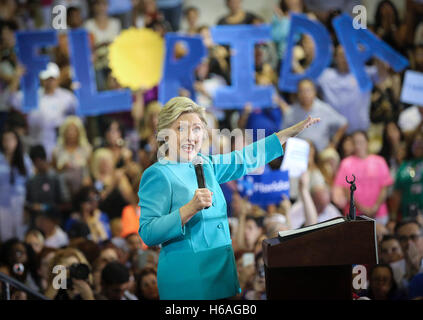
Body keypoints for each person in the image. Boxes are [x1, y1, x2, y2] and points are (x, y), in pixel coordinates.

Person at [138, 96, 320, 299]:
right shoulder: (158, 174)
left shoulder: (205, 164)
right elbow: (148, 232)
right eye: (181, 129)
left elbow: (246, 157)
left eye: (197, 129)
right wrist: (188, 209)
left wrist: (290, 133)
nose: (191, 136)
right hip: (189, 283)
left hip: (221, 277)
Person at [8, 62, 78, 160]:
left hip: (59, 148)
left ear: (57, 79)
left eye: (51, 78)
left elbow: (79, 117)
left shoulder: (67, 97)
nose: (49, 82)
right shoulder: (32, 96)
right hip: (35, 147)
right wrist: (16, 77)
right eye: (46, 79)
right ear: (41, 80)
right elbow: (11, 99)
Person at [332, 131, 393, 225]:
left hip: (379, 213)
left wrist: (375, 207)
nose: (357, 145)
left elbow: (384, 187)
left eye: (360, 142)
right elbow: (347, 190)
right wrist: (363, 209)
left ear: (367, 142)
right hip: (355, 216)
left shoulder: (379, 161)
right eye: (355, 142)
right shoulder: (346, 163)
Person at [282, 79, 348, 152]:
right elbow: (283, 135)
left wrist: (333, 143)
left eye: (308, 90)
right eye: (302, 91)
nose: (305, 94)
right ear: (297, 93)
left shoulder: (324, 108)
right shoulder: (290, 112)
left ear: (314, 92)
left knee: (331, 156)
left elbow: (344, 123)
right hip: (298, 152)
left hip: (322, 152)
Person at [0, 128, 32, 242]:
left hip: (20, 201)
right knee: (5, 234)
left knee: (20, 232)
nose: (8, 143)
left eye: (11, 139)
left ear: (17, 141)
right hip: (2, 202)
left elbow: (30, 182)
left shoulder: (24, 159)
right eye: (5, 140)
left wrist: (27, 206)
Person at [390, 219, 423, 289]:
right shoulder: (392, 270)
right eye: (403, 238)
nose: (409, 243)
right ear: (398, 243)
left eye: (413, 237)